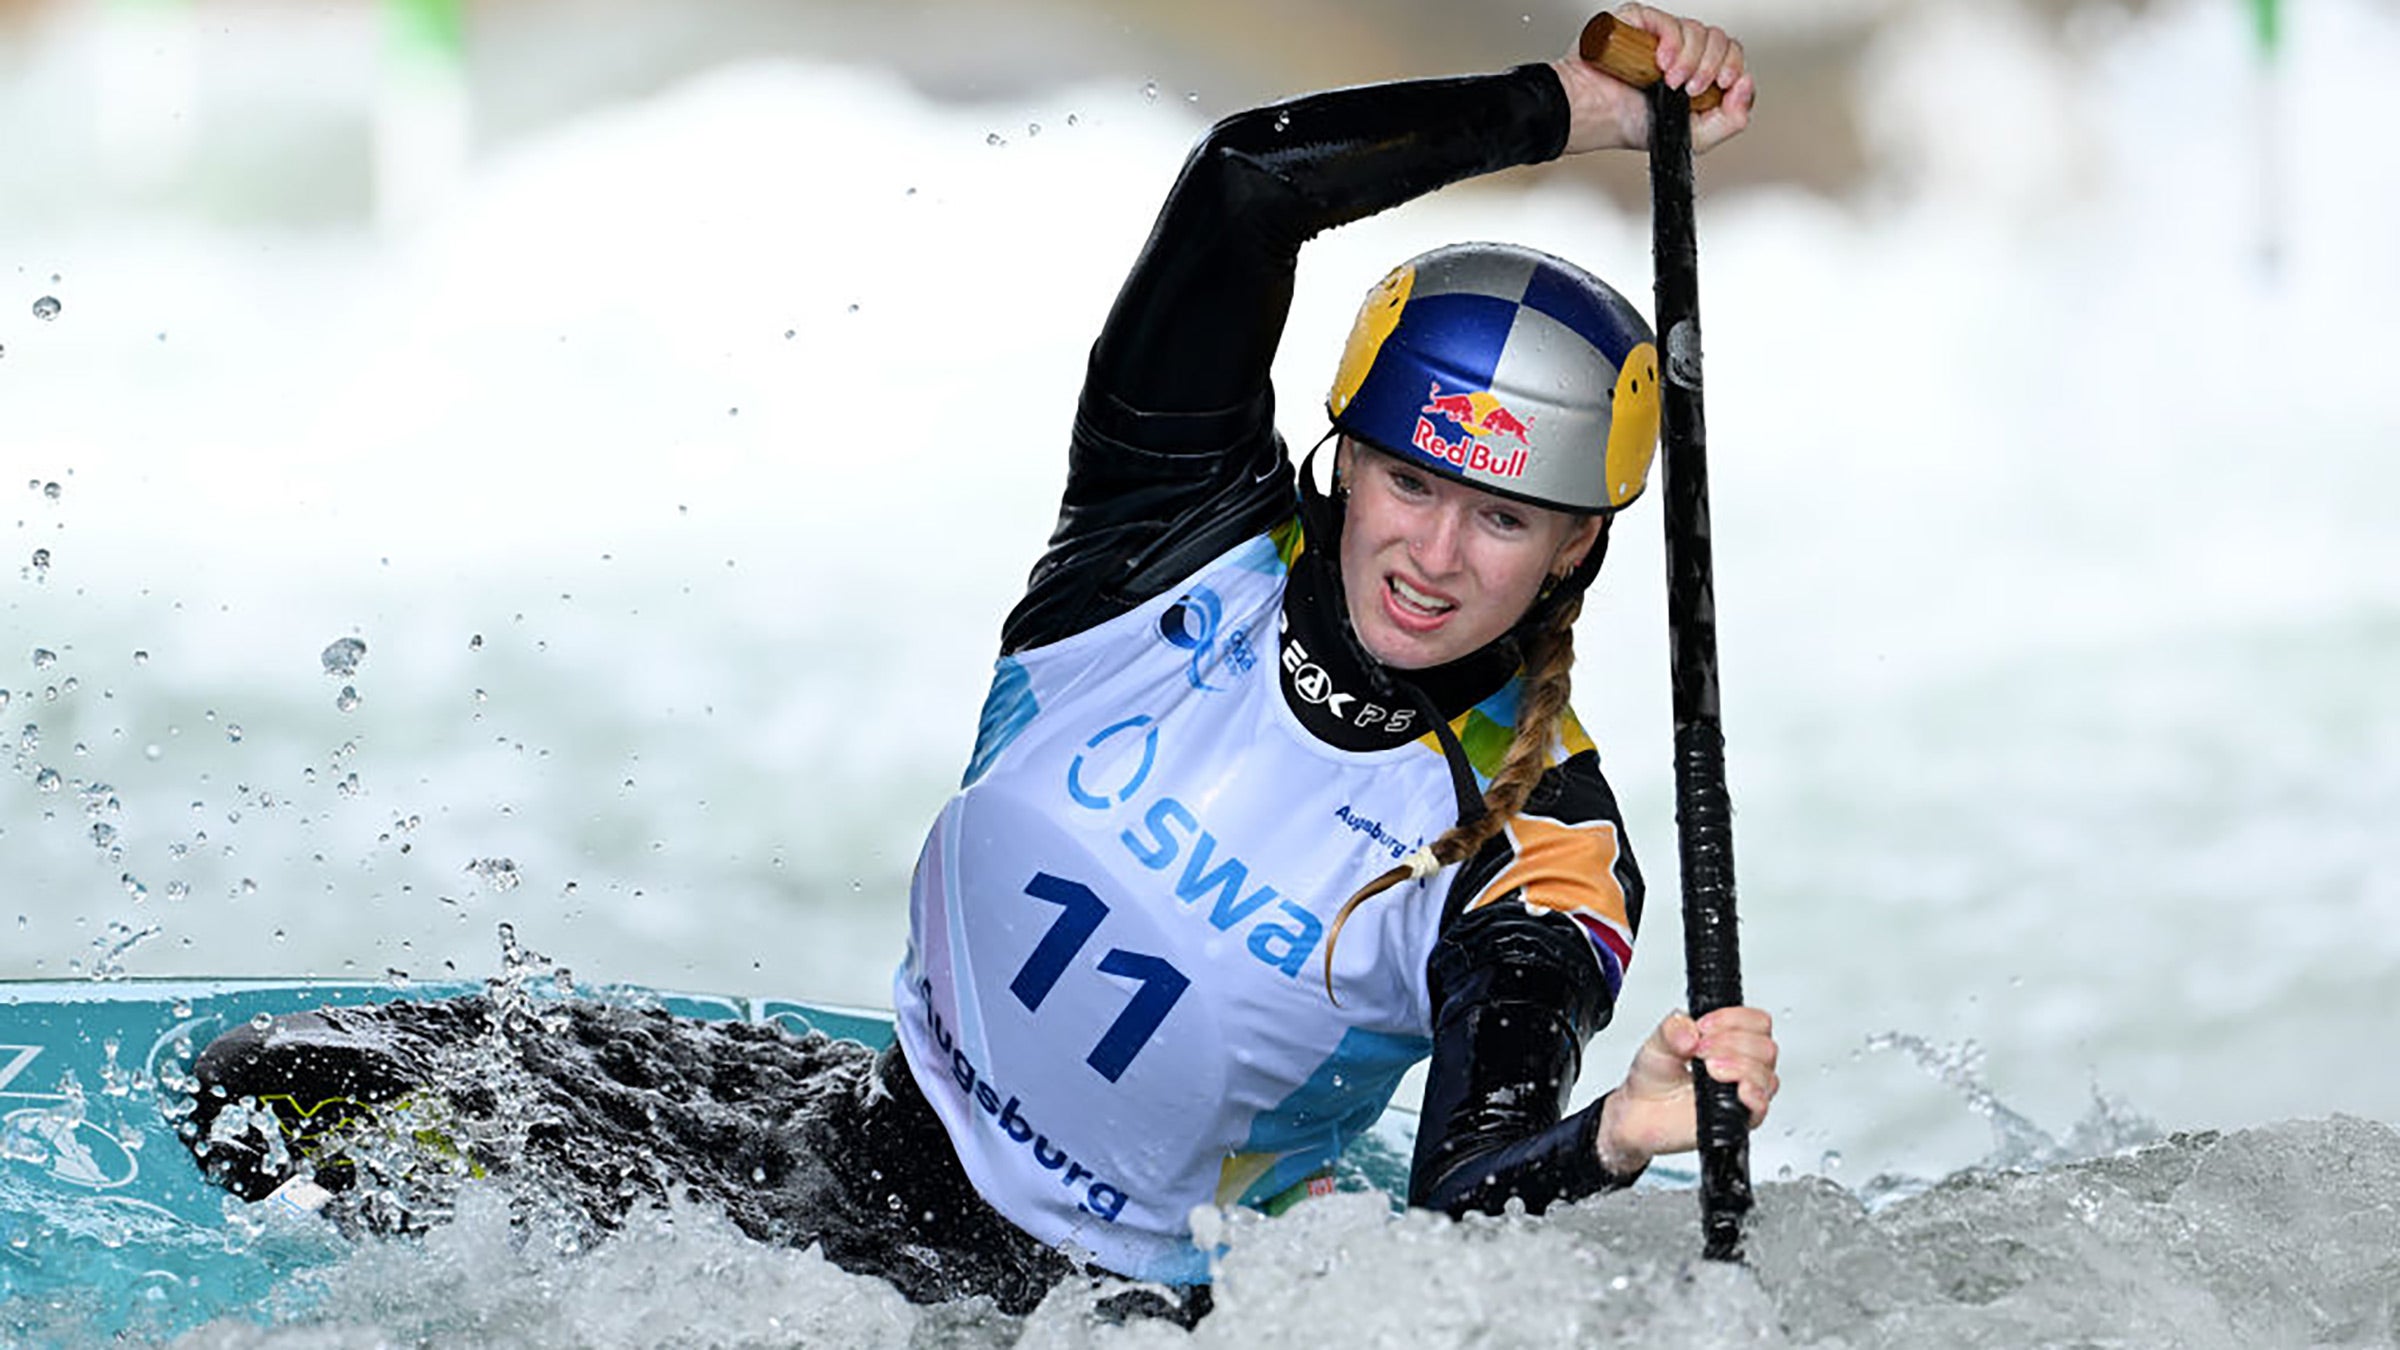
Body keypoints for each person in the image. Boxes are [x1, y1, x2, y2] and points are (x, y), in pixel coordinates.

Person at [183, 3, 1778, 1320]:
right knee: (268, 1091)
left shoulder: (1538, 845)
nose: (1432, 554)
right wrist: (1568, 109)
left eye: (1502, 516)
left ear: (1577, 545)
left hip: (1066, 1311)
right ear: (1342, 453)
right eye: (1410, 480)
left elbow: (1460, 1196)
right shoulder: (1164, 545)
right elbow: (1244, 188)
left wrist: (1621, 1134)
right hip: (853, 1125)